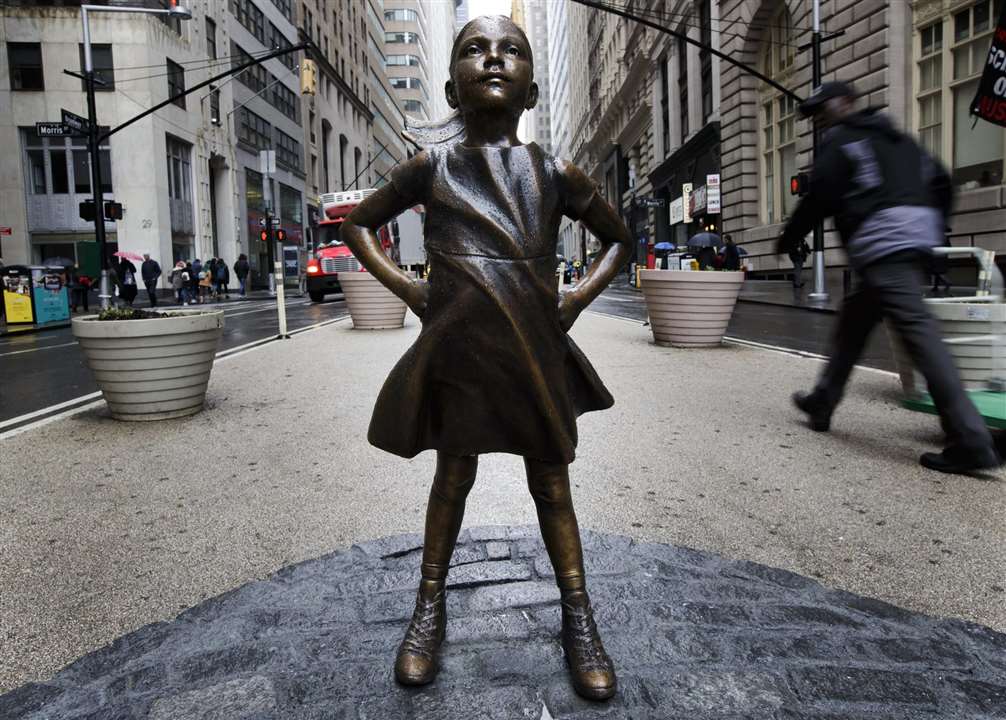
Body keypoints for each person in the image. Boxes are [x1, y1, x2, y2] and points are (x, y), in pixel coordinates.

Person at [339, 16, 631, 701]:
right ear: (451, 86)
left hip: (533, 347)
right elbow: (357, 224)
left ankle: (578, 615)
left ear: (531, 92)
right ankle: (428, 608)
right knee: (452, 477)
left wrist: (575, 300)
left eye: (512, 51)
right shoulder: (431, 167)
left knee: (552, 485)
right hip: (460, 351)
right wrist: (410, 287)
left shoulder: (553, 172)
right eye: (475, 50)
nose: (494, 59)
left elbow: (620, 239)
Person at [780, 81, 999, 475]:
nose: (818, 118)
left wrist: (790, 237)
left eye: (821, 108)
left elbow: (819, 195)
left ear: (846, 102)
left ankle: (970, 440)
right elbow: (941, 182)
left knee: (918, 332)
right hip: (910, 240)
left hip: (882, 242)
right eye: (813, 113)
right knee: (855, 322)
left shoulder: (841, 142)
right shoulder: (897, 140)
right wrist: (933, 230)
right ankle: (823, 400)